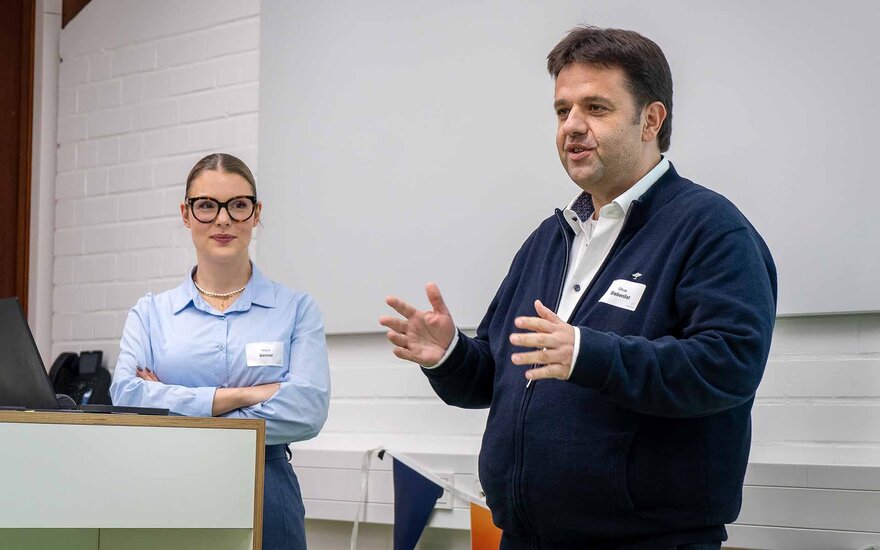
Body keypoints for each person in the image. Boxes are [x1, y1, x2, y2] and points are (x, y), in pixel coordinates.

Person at [380, 26, 776, 550]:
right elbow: (499, 378)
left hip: (648, 540)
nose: (572, 126)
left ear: (650, 120)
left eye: (596, 108)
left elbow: (728, 368)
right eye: (562, 110)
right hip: (524, 536)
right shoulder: (550, 238)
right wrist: (449, 356)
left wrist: (589, 354)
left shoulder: (711, 230)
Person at [110, 152, 330, 550]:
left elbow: (307, 410)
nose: (223, 219)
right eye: (207, 205)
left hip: (266, 490)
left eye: (238, 205)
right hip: (167, 487)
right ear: (186, 214)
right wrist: (245, 394)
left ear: (256, 213)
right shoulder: (151, 313)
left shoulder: (296, 309)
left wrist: (173, 402)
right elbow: (126, 398)